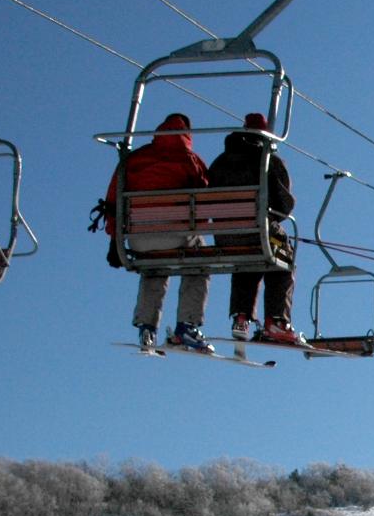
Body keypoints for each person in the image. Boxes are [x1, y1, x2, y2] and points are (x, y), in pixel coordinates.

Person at [100, 112, 215, 354]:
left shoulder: (134, 159)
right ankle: (187, 324)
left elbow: (113, 199)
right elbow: (205, 199)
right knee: (199, 260)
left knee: (155, 266)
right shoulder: (189, 159)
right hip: (177, 234)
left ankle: (147, 327)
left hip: (138, 237)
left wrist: (115, 238)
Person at [213, 113, 307, 348]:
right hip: (258, 232)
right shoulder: (268, 160)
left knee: (246, 259)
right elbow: (285, 204)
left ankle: (241, 317)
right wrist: (271, 217)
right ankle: (276, 321)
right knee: (282, 256)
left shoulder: (220, 161)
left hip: (225, 235)